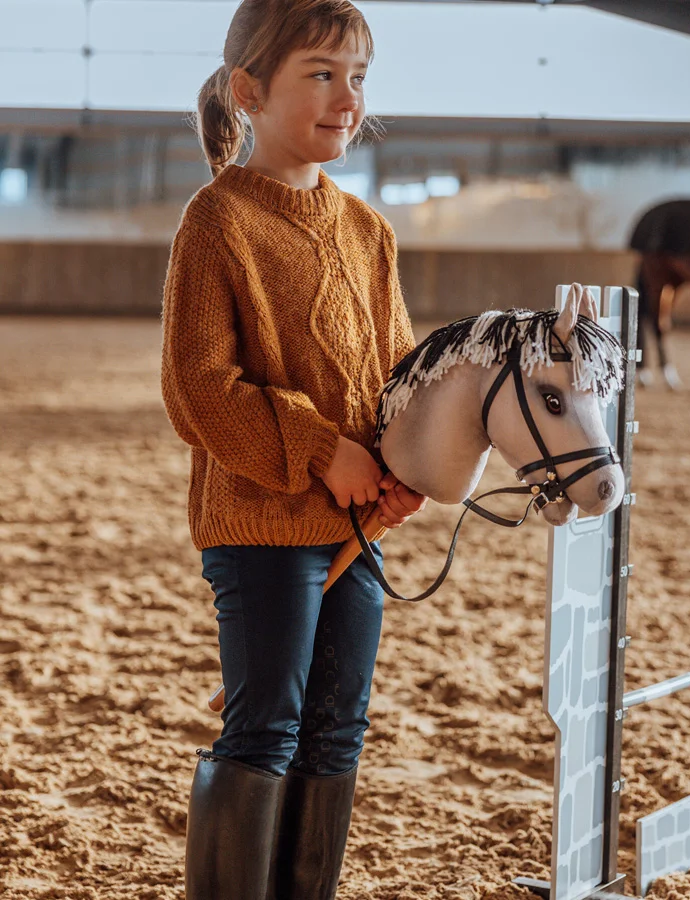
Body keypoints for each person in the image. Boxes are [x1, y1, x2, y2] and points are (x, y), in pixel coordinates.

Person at [159, 1, 427, 897]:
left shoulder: (370, 232)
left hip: (356, 528)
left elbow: (398, 379)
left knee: (337, 727)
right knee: (266, 725)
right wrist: (321, 450)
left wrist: (401, 468)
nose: (347, 99)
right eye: (321, 73)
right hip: (259, 523)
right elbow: (200, 387)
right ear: (249, 90)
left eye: (358, 77)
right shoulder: (216, 221)